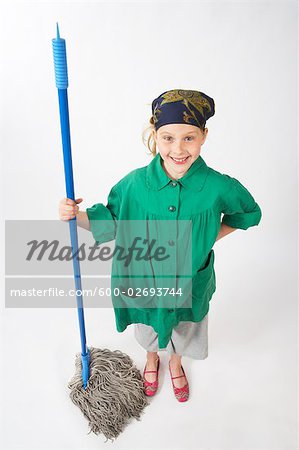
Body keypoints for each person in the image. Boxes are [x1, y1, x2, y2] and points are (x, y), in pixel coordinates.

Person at [59, 89, 262, 403]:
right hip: (144, 281)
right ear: (155, 134)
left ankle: (176, 362)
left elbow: (248, 213)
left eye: (188, 138)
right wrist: (78, 216)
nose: (178, 149)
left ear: (204, 136)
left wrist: (209, 236)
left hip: (191, 282)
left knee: (185, 326)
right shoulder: (134, 184)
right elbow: (112, 220)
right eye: (167, 138)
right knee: (148, 327)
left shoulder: (218, 186)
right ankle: (153, 358)